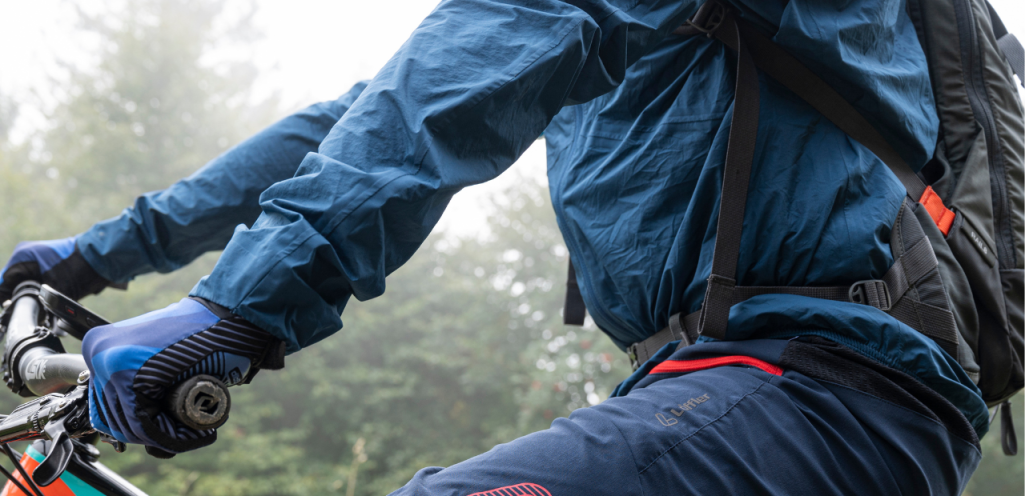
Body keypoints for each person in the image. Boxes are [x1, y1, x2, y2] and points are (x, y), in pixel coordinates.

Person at [0, 0, 992, 493]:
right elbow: (351, 126)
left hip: (829, 389)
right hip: (721, 390)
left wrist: (239, 308)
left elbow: (517, 33)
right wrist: (95, 258)